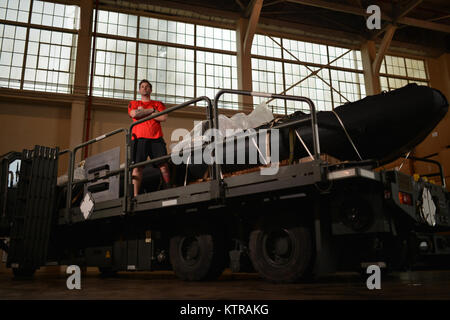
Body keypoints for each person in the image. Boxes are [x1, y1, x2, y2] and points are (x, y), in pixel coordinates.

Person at [128, 79, 170, 196]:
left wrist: (144, 112)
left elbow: (163, 118)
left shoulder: (158, 104)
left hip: (156, 139)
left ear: (151, 90)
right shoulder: (134, 103)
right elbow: (134, 114)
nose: (144, 88)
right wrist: (152, 111)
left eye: (147, 86)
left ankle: (168, 190)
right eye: (142, 86)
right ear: (139, 90)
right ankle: (135, 196)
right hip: (139, 139)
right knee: (137, 167)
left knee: (163, 165)